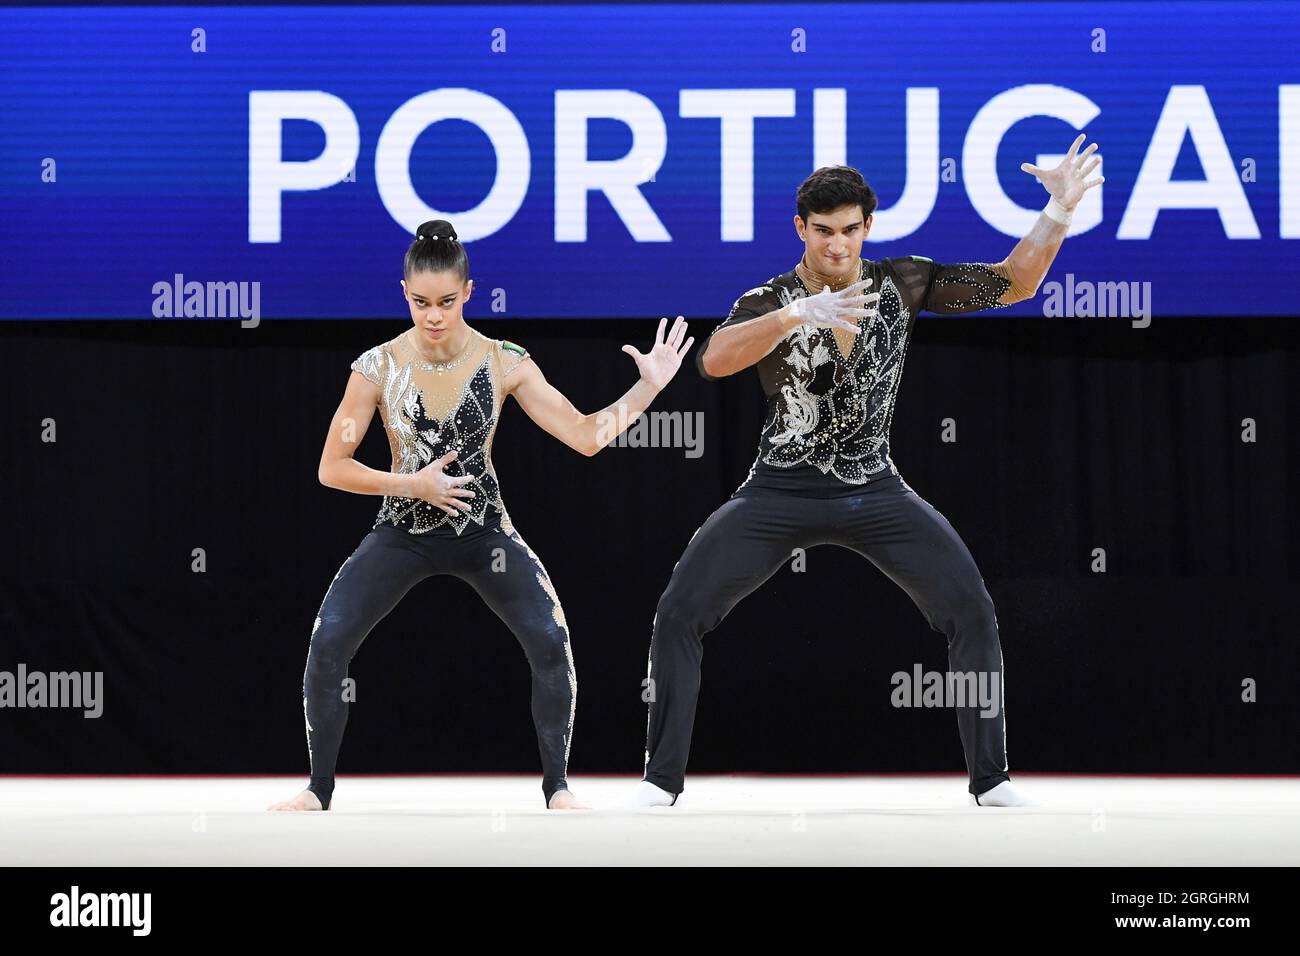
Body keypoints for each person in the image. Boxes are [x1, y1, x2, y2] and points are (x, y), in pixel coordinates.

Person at [634, 135, 1103, 809]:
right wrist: (796, 314)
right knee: (679, 611)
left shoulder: (902, 283)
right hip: (779, 489)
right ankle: (660, 779)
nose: (836, 246)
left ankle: (992, 778)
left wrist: (1058, 211)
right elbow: (714, 360)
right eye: (823, 232)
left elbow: (1013, 283)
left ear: (867, 228)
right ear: (800, 228)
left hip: (874, 490)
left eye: (849, 231)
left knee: (970, 607)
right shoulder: (770, 297)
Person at [269, 219, 693, 811]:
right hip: (403, 532)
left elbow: (585, 436)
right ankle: (317, 789)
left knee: (550, 639)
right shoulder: (375, 367)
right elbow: (332, 467)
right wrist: (411, 483)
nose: (434, 315)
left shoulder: (505, 361)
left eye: (446, 301)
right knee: (329, 639)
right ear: (403, 294)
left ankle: (557, 788)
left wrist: (647, 390)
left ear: (469, 292)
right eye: (420, 302)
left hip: (483, 533)